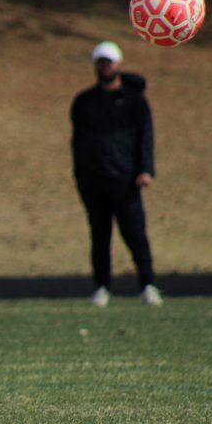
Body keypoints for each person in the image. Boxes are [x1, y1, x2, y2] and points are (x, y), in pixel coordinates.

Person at [71, 41, 163, 307]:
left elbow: (146, 137)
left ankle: (148, 284)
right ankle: (101, 287)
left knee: (135, 234)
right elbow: (78, 142)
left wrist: (145, 169)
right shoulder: (85, 102)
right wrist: (80, 175)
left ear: (118, 64)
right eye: (100, 62)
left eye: (109, 62)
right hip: (94, 179)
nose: (105, 66)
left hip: (125, 178)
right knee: (99, 236)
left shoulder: (135, 101)